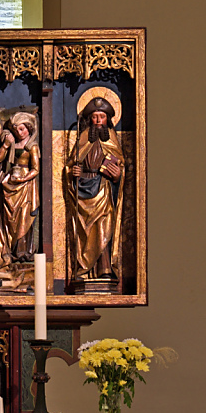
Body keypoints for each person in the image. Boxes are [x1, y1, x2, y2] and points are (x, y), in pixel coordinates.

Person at [64, 96, 125, 281]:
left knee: (104, 226)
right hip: (83, 189)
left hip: (103, 188)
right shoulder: (83, 138)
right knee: (85, 230)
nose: (98, 121)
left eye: (102, 117)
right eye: (94, 117)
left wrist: (117, 175)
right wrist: (72, 172)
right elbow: (71, 164)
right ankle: (83, 269)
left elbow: (121, 167)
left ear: (108, 119)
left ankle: (104, 268)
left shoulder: (112, 140)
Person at [0, 111, 41, 261]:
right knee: (10, 219)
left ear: (29, 128)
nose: (19, 133)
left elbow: (36, 169)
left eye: (22, 129)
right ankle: (12, 250)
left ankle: (24, 251)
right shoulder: (13, 144)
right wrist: (6, 144)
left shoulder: (32, 147)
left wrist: (22, 179)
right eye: (16, 130)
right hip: (10, 184)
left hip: (25, 186)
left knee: (24, 217)